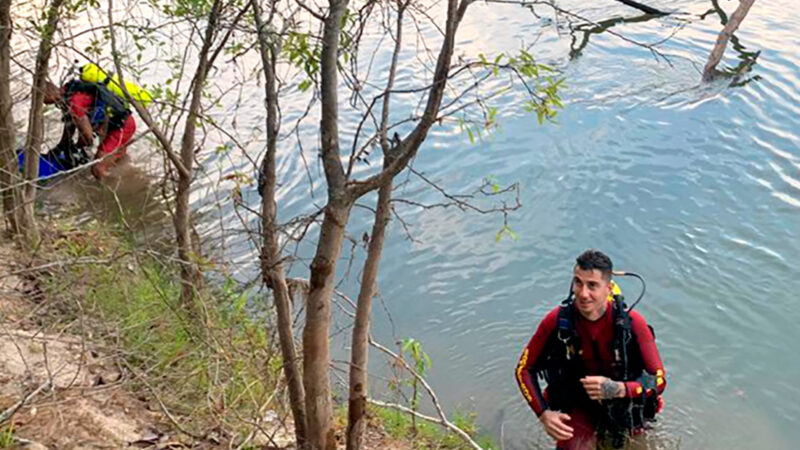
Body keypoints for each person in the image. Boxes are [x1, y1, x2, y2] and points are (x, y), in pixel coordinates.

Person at [515, 250, 666, 449]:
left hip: (624, 404)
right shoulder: (558, 321)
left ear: (609, 288)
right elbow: (523, 369)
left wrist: (617, 389)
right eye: (578, 282)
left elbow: (659, 380)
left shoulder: (632, 323)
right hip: (580, 403)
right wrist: (544, 414)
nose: (583, 293)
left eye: (592, 285)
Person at [43, 78, 135, 179]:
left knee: (97, 168)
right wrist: (61, 146)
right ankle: (129, 173)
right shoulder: (68, 92)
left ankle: (118, 189)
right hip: (120, 122)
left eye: (41, 97)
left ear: (49, 94)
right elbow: (70, 124)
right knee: (117, 160)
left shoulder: (74, 102)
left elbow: (88, 137)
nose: (43, 103)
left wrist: (80, 149)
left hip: (122, 128)